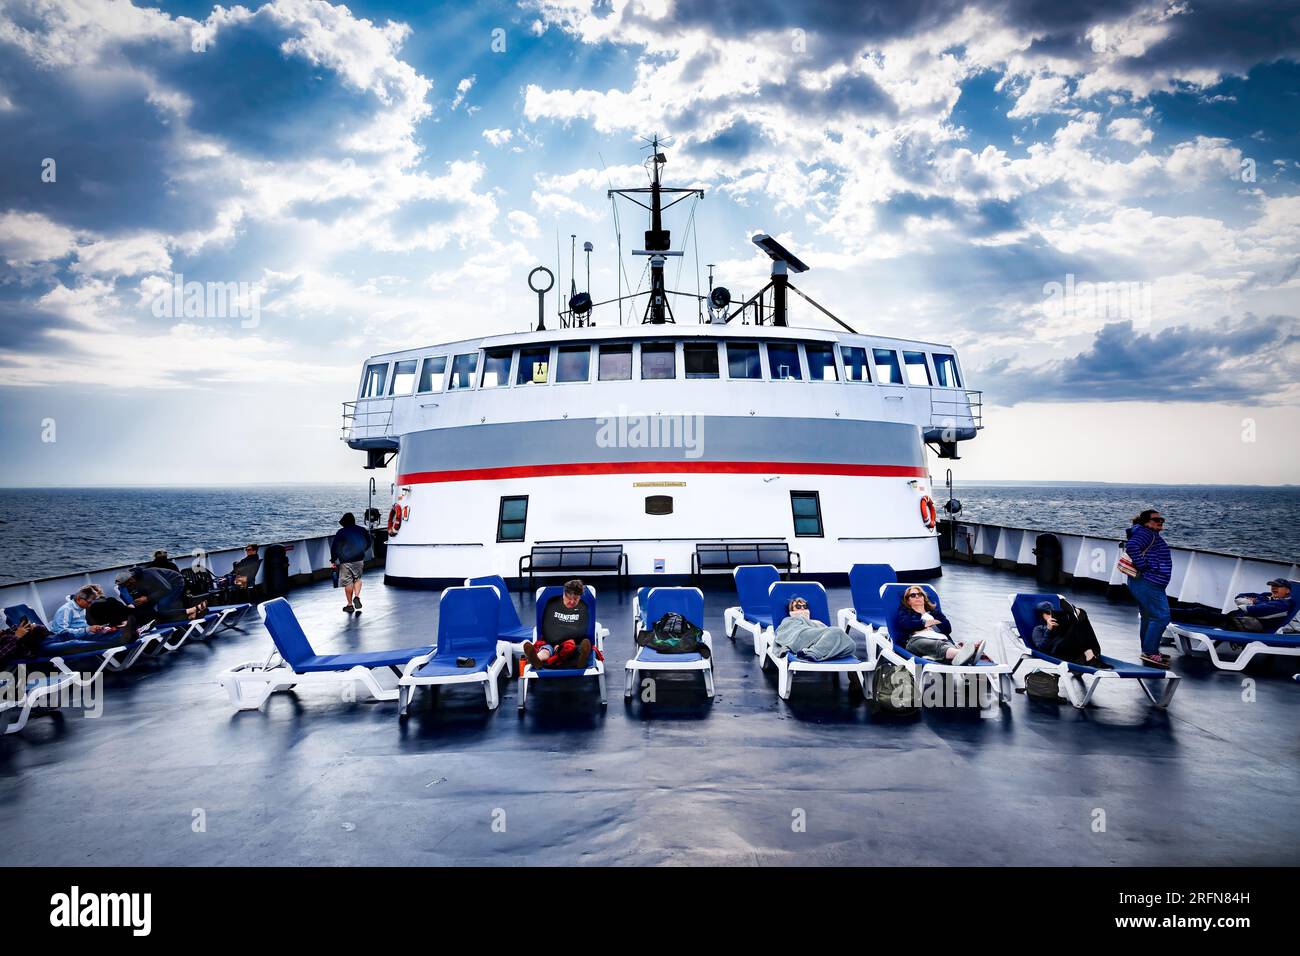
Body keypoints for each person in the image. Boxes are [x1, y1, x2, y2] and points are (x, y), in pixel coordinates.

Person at [1124, 508, 1173, 668]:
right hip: (1148, 582)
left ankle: (1148, 650)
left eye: (1162, 520)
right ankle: (1151, 651)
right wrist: (1143, 566)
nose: (1160, 522)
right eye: (1156, 519)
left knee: (1148, 616)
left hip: (1145, 582)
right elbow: (1131, 547)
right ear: (1146, 522)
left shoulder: (1148, 533)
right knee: (1161, 616)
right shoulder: (1146, 533)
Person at [895, 585, 983, 664]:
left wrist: (929, 627)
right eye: (913, 595)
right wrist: (929, 622)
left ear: (924, 598)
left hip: (943, 640)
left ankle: (963, 656)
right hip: (917, 641)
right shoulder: (906, 613)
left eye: (920, 594)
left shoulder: (934, 613)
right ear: (908, 601)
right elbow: (907, 625)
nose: (917, 596)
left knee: (946, 645)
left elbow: (948, 627)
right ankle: (965, 653)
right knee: (938, 645)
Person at [1171, 579, 1296, 633]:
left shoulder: (1283, 604)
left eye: (1278, 586)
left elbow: (1251, 609)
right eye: (1272, 585)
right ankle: (1164, 613)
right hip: (1235, 620)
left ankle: (1163, 613)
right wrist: (1262, 599)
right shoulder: (1267, 596)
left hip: (1240, 626)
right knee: (1199, 612)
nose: (1273, 588)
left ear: (1288, 590)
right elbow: (1239, 597)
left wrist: (1255, 601)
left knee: (1199, 614)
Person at [524, 579, 596, 670]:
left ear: (580, 597)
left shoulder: (583, 607)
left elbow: (581, 630)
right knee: (545, 650)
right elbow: (547, 627)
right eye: (569, 599)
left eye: (576, 599)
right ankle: (536, 660)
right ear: (564, 594)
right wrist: (556, 644)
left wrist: (563, 643)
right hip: (552, 642)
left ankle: (581, 660)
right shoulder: (552, 603)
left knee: (577, 648)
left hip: (573, 643)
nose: (572, 602)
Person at [772, 595, 857, 661]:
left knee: (851, 646)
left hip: (817, 641)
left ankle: (813, 652)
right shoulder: (788, 620)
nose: (802, 608)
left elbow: (829, 636)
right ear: (791, 611)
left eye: (804, 607)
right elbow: (784, 633)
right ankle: (812, 652)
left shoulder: (817, 622)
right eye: (798, 606)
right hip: (799, 637)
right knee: (836, 631)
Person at [1030, 600, 1111, 668]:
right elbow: (1041, 648)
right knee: (1078, 621)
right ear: (1041, 615)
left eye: (1053, 612)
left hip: (1073, 647)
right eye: (1047, 613)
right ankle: (1075, 614)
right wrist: (1049, 630)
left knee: (1081, 621)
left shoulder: (1061, 623)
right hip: (1058, 650)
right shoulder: (1038, 628)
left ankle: (1090, 655)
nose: (1051, 615)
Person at [117, 566, 206, 624]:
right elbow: (123, 592)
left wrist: (147, 598)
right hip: (156, 589)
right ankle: (189, 613)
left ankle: (189, 611)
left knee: (163, 605)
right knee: (148, 609)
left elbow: (166, 588)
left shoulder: (149, 574)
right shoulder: (127, 584)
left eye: (127, 585)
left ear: (131, 580)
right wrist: (131, 604)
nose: (127, 587)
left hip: (174, 583)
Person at [330, 514, 372, 613]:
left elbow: (335, 547)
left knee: (348, 582)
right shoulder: (362, 530)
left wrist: (333, 560)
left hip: (346, 560)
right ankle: (357, 596)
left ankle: (349, 605)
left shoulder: (341, 532)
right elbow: (368, 543)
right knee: (357, 579)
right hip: (359, 559)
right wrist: (362, 550)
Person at [50, 585, 119, 639]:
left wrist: (97, 628)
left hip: (84, 634)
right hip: (73, 639)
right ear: (79, 599)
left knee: (113, 630)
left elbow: (82, 626)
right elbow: (61, 632)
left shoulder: (82, 607)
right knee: (113, 637)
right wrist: (87, 630)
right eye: (89, 602)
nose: (90, 605)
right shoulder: (66, 610)